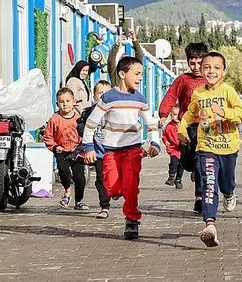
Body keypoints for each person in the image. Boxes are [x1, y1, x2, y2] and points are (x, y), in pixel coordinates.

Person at [82, 56, 161, 240]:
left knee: (131, 186)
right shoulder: (108, 98)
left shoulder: (140, 99)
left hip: (133, 149)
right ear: (122, 74)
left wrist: (154, 143)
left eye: (141, 74)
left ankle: (132, 221)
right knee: (112, 187)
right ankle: (117, 191)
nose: (140, 77)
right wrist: (88, 147)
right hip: (110, 150)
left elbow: (150, 124)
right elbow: (91, 123)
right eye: (137, 73)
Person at [177, 52, 242, 247]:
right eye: (207, 67)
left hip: (228, 147)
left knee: (226, 183)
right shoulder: (198, 93)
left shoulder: (228, 91)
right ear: (201, 70)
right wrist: (182, 130)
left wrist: (224, 112)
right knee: (209, 184)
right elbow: (189, 115)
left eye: (217, 67)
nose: (211, 71)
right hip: (206, 147)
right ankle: (210, 225)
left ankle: (229, 193)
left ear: (224, 71)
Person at [158, 42, 208, 213]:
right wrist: (164, 115)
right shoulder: (183, 80)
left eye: (199, 63)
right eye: (192, 63)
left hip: (205, 128)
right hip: (187, 127)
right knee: (187, 161)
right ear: (187, 62)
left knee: (201, 160)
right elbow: (171, 96)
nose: (196, 67)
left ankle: (199, 197)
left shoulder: (211, 79)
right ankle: (193, 168)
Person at [43, 88, 88, 210]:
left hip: (76, 151)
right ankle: (67, 190)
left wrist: (85, 146)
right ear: (57, 104)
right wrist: (55, 146)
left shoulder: (79, 118)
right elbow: (47, 137)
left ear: (74, 102)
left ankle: (79, 201)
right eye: (61, 101)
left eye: (68, 101)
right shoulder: (54, 119)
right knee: (63, 171)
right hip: (61, 150)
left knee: (80, 178)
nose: (65, 104)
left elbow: (86, 134)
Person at [77, 80, 113, 219]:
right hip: (98, 153)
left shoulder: (115, 111)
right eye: (100, 93)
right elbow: (81, 127)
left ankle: (114, 190)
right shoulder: (89, 113)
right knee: (101, 179)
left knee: (114, 178)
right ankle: (104, 206)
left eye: (107, 93)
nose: (104, 96)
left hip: (114, 152)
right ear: (94, 95)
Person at [162, 105, 184, 189]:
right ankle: (171, 176)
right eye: (174, 114)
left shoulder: (184, 125)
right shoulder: (169, 126)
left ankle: (178, 179)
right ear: (171, 115)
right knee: (174, 163)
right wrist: (166, 141)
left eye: (178, 114)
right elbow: (164, 136)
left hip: (183, 150)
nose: (177, 117)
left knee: (181, 166)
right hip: (174, 149)